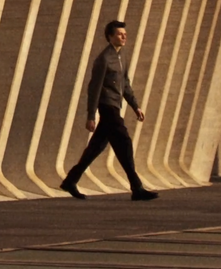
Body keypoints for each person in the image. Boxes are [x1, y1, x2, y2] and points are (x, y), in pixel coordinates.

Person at [59, 19, 158, 201]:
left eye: (124, 34)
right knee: (124, 143)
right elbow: (94, 88)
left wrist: (135, 106)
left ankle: (70, 181)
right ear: (110, 37)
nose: (124, 36)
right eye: (120, 34)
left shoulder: (122, 56)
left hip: (116, 105)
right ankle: (137, 187)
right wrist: (91, 116)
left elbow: (125, 84)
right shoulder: (103, 59)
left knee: (96, 147)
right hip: (107, 106)